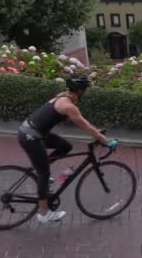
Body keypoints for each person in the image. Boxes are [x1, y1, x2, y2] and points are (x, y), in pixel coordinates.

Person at [17, 75, 117, 223]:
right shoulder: (69, 106)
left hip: (33, 132)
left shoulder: (63, 96)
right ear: (80, 90)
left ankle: (41, 170)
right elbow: (86, 126)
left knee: (65, 146)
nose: (85, 93)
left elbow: (83, 122)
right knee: (44, 175)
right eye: (84, 90)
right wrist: (106, 141)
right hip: (31, 137)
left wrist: (96, 131)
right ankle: (43, 213)